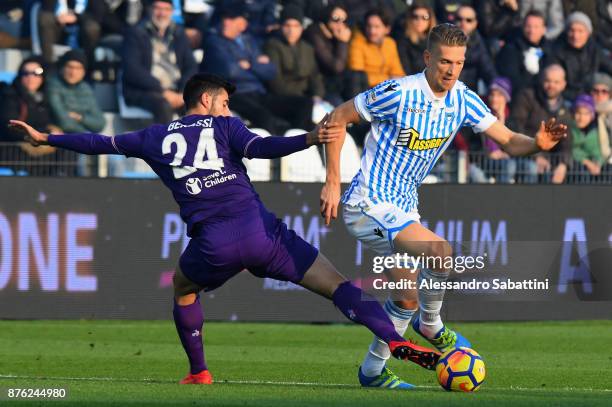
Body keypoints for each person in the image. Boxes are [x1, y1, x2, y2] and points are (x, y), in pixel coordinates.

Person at [9, 73, 439, 386]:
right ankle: (391, 338)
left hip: (213, 244)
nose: (229, 109)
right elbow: (262, 148)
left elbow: (97, 143)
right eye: (226, 102)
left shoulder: (153, 136)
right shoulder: (226, 126)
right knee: (336, 283)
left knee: (182, 287)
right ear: (210, 100)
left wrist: (46, 137)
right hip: (260, 233)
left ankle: (199, 372)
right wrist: (308, 139)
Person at [319, 23, 567, 389]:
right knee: (440, 252)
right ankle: (432, 324)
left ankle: (372, 372)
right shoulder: (398, 92)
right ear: (428, 58)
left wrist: (537, 144)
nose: (451, 71)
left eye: (459, 63)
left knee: (405, 298)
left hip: (404, 206)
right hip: (367, 201)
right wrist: (332, 182)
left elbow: (509, 141)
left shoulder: (462, 98)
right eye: (445, 62)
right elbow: (337, 118)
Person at [201, 5, 312, 134]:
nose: (226, 22)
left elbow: (271, 71)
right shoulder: (214, 42)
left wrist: (249, 65)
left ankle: (300, 144)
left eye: (232, 19)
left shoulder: (249, 41)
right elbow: (230, 71)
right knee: (264, 116)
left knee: (304, 104)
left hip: (259, 93)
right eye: (225, 18)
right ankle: (277, 151)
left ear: (243, 23)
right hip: (234, 94)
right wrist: (257, 67)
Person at [122, 0, 198, 124]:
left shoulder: (178, 32)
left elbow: (191, 66)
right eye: (158, 8)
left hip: (176, 90)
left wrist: (184, 91)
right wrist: (162, 90)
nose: (162, 13)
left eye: (166, 9)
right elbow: (132, 70)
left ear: (172, 12)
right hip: (144, 90)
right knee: (163, 106)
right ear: (150, 9)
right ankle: (163, 143)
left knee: (196, 105)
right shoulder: (135, 32)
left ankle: (192, 143)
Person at [511, 64, 572, 183]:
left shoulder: (566, 110)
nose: (551, 86)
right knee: (531, 169)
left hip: (549, 160)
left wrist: (563, 164)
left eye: (556, 82)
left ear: (564, 84)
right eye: (548, 81)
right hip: (524, 154)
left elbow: (567, 142)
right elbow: (515, 126)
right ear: (541, 80)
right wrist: (535, 156)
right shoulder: (527, 97)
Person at [0, 56, 61, 176]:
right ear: (19, 76)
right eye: (25, 73)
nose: (31, 77)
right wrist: (44, 133)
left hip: (36, 145)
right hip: (13, 148)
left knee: (65, 152)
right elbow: (10, 128)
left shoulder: (44, 98)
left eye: (37, 73)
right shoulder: (10, 96)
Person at [263, 6, 325, 106]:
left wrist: (317, 95)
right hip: (284, 99)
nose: (291, 30)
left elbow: (315, 76)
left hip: (308, 98)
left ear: (301, 28)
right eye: (287, 25)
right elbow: (275, 82)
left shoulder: (307, 48)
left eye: (296, 26)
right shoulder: (272, 46)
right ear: (281, 26)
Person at [547, 11, 612, 101]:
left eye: (580, 31)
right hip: (565, 98)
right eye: (572, 30)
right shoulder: (556, 50)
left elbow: (609, 66)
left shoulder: (594, 49)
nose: (575, 36)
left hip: (591, 95)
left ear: (588, 33)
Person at [303, 4, 352, 105]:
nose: (340, 23)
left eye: (344, 20)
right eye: (335, 19)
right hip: (318, 84)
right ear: (327, 16)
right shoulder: (314, 33)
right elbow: (336, 67)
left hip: (336, 83)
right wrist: (342, 42)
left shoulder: (337, 34)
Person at [47, 50, 105, 134]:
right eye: (69, 67)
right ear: (62, 68)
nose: (73, 72)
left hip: (80, 138)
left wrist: (79, 117)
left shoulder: (85, 88)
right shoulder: (53, 84)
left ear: (84, 72)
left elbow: (100, 123)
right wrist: (86, 133)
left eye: (78, 68)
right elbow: (66, 124)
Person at [496, 10, 551, 98]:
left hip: (544, 97)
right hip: (519, 97)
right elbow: (512, 80)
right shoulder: (510, 49)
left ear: (543, 29)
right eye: (528, 26)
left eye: (536, 27)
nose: (531, 31)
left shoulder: (550, 50)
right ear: (523, 27)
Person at [348, 8, 405, 90]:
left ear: (387, 29)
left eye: (377, 27)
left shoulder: (390, 43)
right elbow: (358, 77)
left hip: (387, 89)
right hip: (365, 91)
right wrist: (388, 78)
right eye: (369, 26)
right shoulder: (357, 42)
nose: (372, 31)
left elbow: (398, 73)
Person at [455, 5, 497, 91]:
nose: (463, 23)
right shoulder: (441, 40)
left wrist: (498, 89)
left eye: (468, 20)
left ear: (475, 23)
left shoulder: (478, 44)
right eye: (459, 19)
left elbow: (488, 71)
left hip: (466, 93)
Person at [394, 2, 437, 75]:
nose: (419, 21)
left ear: (430, 19)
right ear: (409, 19)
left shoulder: (437, 41)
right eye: (415, 17)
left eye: (425, 17)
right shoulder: (402, 41)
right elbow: (406, 70)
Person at [570, 94, 603, 182]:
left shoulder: (596, 131)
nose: (581, 117)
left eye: (586, 113)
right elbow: (568, 149)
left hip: (595, 171)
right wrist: (586, 162)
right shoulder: (568, 128)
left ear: (592, 116)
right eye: (578, 113)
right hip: (574, 169)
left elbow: (599, 151)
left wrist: (598, 164)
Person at [591, 73, 612, 167]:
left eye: (604, 91)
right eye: (596, 91)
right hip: (590, 162)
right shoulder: (582, 112)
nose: (599, 94)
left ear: (610, 94)